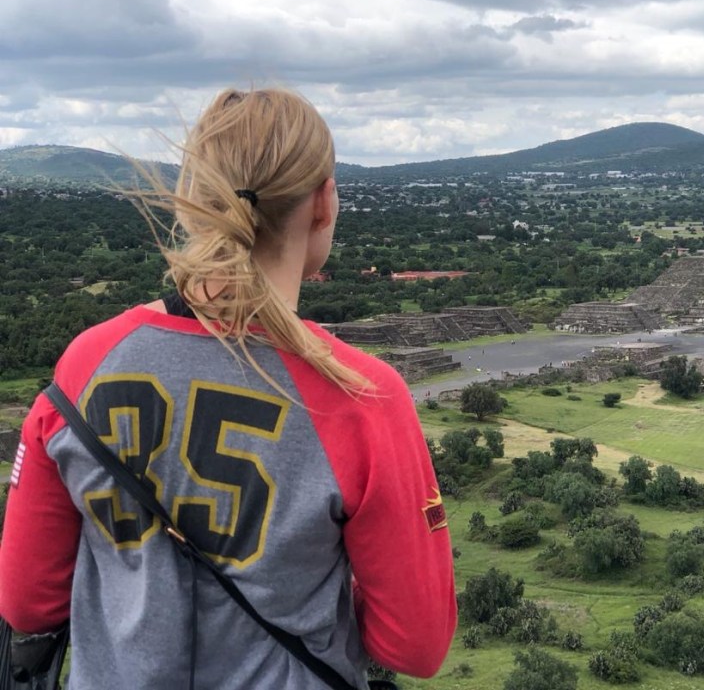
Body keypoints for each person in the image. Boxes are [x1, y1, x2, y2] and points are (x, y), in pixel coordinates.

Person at [0, 89, 456, 688]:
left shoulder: (88, 362)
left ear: (196, 202)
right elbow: (415, 645)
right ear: (323, 203)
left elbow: (28, 601)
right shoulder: (361, 395)